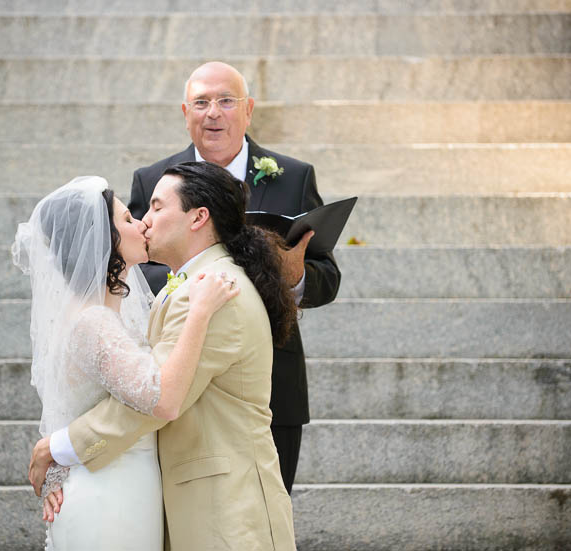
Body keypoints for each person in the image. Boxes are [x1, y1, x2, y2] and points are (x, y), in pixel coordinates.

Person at [29, 162, 299, 550]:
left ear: (198, 217)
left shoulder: (213, 290)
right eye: (134, 214)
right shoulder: (190, 288)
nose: (144, 221)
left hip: (228, 509)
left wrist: (58, 447)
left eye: (156, 207)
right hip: (157, 495)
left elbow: (155, 399)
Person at [128, 61, 342, 492]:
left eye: (226, 101)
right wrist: (188, 278)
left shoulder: (294, 176)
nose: (214, 113)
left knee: (267, 514)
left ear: (248, 110)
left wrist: (294, 277)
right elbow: (132, 266)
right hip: (178, 381)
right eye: (202, 102)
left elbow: (327, 277)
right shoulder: (152, 180)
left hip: (269, 385)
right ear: (184, 112)